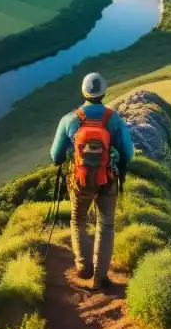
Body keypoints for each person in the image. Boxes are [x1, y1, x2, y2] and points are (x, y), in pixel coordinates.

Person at [50, 71, 134, 290]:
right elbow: (129, 153)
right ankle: (100, 277)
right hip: (107, 179)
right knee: (106, 225)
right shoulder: (113, 119)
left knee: (78, 221)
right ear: (104, 93)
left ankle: (83, 267)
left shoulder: (69, 119)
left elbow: (55, 156)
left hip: (80, 180)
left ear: (84, 92)